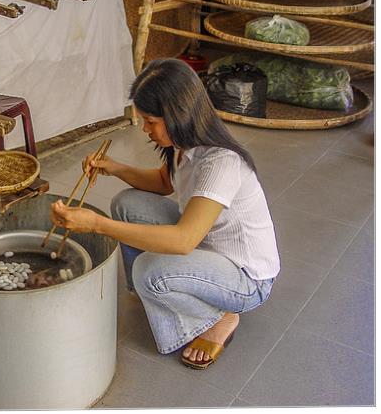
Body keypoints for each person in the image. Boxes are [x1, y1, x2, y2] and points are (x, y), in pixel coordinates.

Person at [50, 58, 280, 370]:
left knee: (149, 269)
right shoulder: (185, 144)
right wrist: (115, 168)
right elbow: (163, 183)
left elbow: (184, 241)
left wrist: (98, 225)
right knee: (126, 204)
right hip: (207, 247)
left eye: (150, 121)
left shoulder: (221, 163)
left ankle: (219, 317)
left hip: (246, 279)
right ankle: (157, 292)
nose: (145, 130)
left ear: (177, 115)